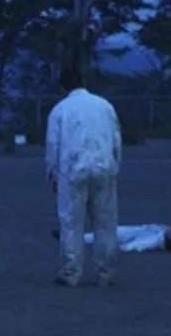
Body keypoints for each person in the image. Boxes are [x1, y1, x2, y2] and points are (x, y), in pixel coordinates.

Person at [47, 66, 122, 287]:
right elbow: (116, 140)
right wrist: (115, 168)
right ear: (84, 82)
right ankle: (104, 272)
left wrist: (52, 174)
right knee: (105, 223)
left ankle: (71, 272)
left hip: (72, 171)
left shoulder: (60, 110)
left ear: (63, 87)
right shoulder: (105, 106)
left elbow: (53, 146)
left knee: (71, 223)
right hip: (104, 168)